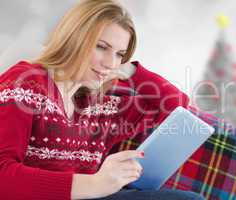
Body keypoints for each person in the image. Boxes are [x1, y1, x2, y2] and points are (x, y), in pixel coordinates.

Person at [0, 0, 203, 199]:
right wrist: (96, 184)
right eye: (101, 47)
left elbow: (177, 107)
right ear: (74, 38)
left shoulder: (102, 103)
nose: (110, 63)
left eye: (119, 54)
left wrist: (130, 70)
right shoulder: (27, 82)